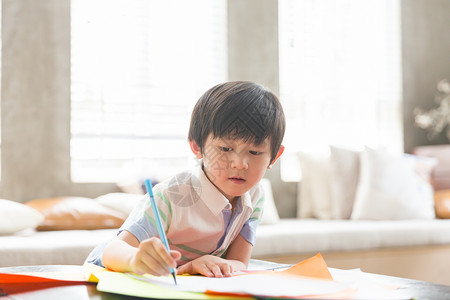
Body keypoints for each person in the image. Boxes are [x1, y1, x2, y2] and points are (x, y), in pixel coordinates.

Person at [86, 81, 285, 278]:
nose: (240, 164)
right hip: (110, 274)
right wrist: (135, 258)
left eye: (255, 152)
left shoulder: (255, 194)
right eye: (225, 149)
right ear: (197, 147)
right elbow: (113, 250)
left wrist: (202, 265)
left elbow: (240, 262)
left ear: (274, 156)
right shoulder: (172, 195)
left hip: (182, 284)